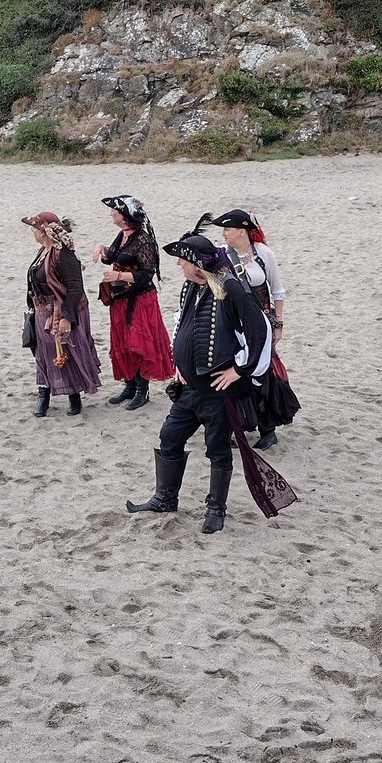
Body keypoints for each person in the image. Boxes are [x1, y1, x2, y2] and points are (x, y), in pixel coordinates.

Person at [126, 224, 271, 533]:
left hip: (218, 392)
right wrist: (180, 363)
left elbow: (261, 331)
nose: (179, 264)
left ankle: (216, 509)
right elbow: (184, 324)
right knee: (170, 437)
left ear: (196, 261)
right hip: (189, 388)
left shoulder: (231, 287)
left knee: (217, 449)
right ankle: (165, 498)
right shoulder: (192, 286)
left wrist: (240, 370)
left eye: (182, 258)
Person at [213, 208, 299, 449]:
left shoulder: (264, 254)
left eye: (227, 229)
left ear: (242, 231)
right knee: (232, 370)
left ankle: (268, 429)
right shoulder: (221, 255)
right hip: (232, 325)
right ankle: (234, 425)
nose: (223, 234)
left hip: (262, 326)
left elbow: (277, 291)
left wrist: (278, 325)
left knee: (264, 373)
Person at [91, 195, 174, 410]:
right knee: (124, 342)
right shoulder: (123, 235)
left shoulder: (142, 239)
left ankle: (141, 390)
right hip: (121, 298)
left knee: (140, 343)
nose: (111, 213)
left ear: (125, 215)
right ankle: (129, 385)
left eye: (114, 211)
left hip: (140, 298)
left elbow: (147, 273)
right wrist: (101, 247)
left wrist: (118, 277)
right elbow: (113, 258)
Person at [23, 210, 101, 417]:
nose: (32, 232)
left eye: (34, 229)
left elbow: (75, 287)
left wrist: (66, 317)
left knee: (65, 352)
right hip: (42, 310)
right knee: (43, 352)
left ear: (44, 231)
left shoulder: (63, 254)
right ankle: (44, 393)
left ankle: (74, 395)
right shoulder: (43, 251)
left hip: (61, 310)